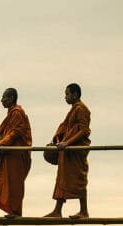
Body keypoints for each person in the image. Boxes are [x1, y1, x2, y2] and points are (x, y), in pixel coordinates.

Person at [0, 87, 32, 217]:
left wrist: (1, 143)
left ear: (11, 98)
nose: (1, 100)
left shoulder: (17, 113)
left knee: (15, 182)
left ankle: (15, 211)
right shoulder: (11, 113)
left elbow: (16, 132)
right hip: (10, 153)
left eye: (4, 97)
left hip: (16, 153)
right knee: (8, 182)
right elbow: (3, 131)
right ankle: (12, 210)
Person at [44, 83, 91, 219]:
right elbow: (64, 127)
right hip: (67, 151)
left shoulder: (82, 109)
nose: (65, 97)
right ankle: (57, 210)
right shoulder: (73, 110)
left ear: (75, 95)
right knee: (62, 179)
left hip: (76, 150)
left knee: (79, 179)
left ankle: (84, 211)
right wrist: (56, 141)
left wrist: (67, 143)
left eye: (67, 94)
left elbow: (84, 130)